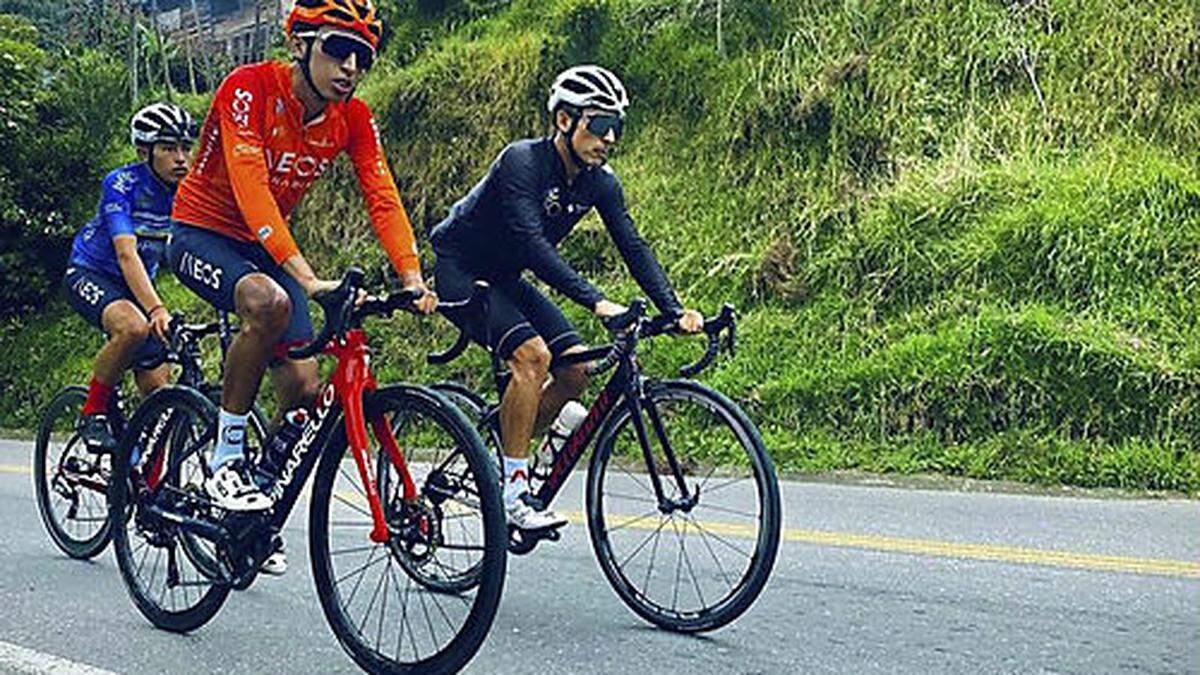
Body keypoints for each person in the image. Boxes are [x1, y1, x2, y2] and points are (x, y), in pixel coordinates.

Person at [166, 0, 435, 551]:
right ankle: (225, 457)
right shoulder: (248, 88)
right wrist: (308, 277)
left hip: (262, 247)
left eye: (364, 56)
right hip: (199, 232)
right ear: (300, 45)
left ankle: (255, 504)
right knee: (268, 304)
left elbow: (381, 196)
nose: (351, 67)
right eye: (339, 50)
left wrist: (412, 275)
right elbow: (250, 187)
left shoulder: (354, 117)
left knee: (306, 385)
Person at [430, 65, 705, 532]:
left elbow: (632, 246)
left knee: (575, 369)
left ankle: (498, 448)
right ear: (564, 121)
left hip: (506, 275)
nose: (610, 137)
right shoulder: (522, 162)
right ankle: (514, 490)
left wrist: (672, 309)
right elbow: (533, 247)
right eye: (599, 124)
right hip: (462, 270)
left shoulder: (600, 181)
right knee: (532, 356)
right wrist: (599, 303)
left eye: (617, 127)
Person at [64, 103, 196, 452]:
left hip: (139, 288)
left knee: (160, 398)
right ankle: (92, 412)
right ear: (144, 151)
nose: (181, 157)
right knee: (133, 327)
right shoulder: (122, 184)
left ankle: (137, 472)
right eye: (169, 148)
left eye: (186, 147)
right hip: (91, 273)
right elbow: (126, 254)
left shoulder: (189, 192)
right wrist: (155, 309)